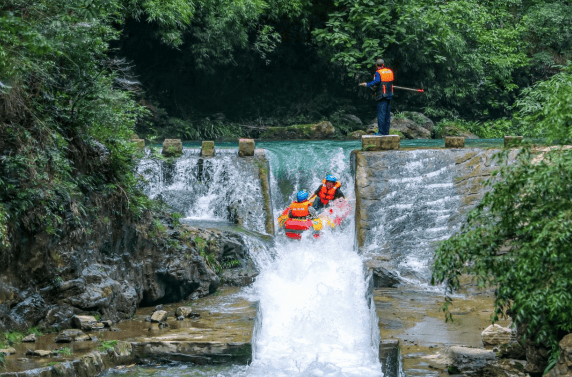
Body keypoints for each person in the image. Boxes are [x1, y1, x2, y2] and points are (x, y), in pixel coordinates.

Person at [359, 58, 394, 135]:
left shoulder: (378, 73)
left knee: (381, 114)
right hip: (389, 95)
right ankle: (386, 132)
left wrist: (367, 84)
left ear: (376, 65)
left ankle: (381, 132)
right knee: (387, 115)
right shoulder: (389, 71)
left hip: (382, 96)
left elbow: (377, 81)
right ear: (383, 64)